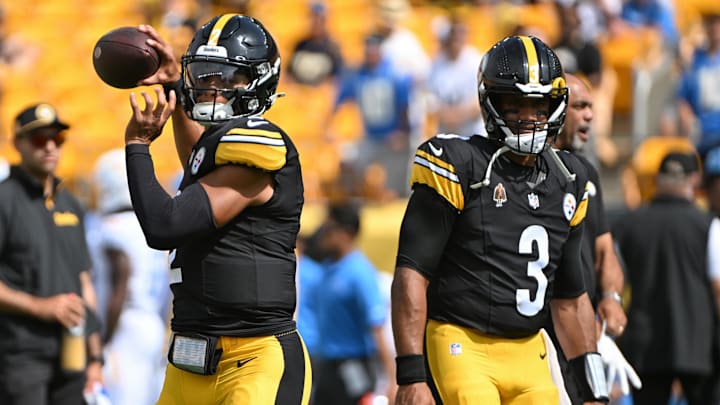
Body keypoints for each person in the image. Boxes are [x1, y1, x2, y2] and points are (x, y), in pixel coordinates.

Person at [391, 35, 608, 405]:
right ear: (491, 103)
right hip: (463, 342)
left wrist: (595, 391)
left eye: (538, 106)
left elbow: (571, 300)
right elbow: (412, 272)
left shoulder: (569, 180)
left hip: (529, 350)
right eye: (515, 104)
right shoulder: (461, 164)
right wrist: (411, 375)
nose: (528, 117)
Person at [124, 14, 311, 404]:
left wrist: (138, 146)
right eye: (205, 76)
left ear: (259, 80)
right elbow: (199, 162)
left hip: (253, 358)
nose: (213, 88)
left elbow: (165, 224)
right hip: (189, 360)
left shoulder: (259, 144)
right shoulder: (219, 150)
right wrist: (176, 84)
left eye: (227, 78)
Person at [0, 103, 104, 404]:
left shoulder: (71, 203)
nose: (49, 146)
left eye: (56, 139)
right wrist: (41, 306)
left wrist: (96, 357)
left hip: (73, 356)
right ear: (17, 143)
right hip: (20, 358)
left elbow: (85, 283)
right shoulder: (5, 200)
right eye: (38, 139)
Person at [553, 74, 641, 403]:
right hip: (538, 334)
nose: (590, 115)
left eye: (591, 106)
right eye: (580, 106)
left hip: (582, 328)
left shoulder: (586, 173)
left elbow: (605, 250)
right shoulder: (523, 172)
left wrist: (611, 297)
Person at [614, 151, 720, 405]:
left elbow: (613, 283)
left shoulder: (628, 224)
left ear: (658, 180)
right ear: (694, 180)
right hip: (697, 346)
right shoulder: (709, 225)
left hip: (644, 346)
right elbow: (718, 289)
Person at [88, 149, 170, 405]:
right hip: (151, 323)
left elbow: (121, 279)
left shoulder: (113, 227)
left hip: (123, 325)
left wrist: (103, 337)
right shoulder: (151, 227)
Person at [309, 202, 395, 405]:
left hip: (353, 364)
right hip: (327, 366)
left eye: (329, 229)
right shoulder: (328, 268)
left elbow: (376, 326)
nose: (323, 234)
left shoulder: (360, 272)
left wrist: (392, 379)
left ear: (346, 233)